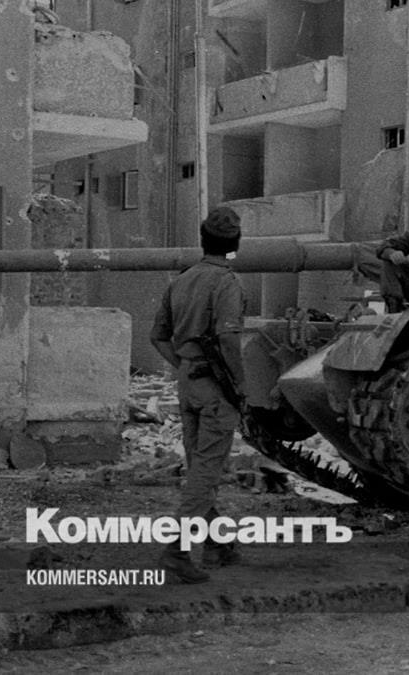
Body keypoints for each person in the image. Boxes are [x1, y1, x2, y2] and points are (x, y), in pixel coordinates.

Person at [150, 207, 247, 584]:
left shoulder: (182, 280)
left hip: (188, 383)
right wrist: (240, 385)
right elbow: (228, 338)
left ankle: (217, 543)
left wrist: (185, 364)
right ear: (235, 244)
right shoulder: (227, 282)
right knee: (206, 471)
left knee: (199, 467)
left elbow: (158, 336)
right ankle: (177, 551)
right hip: (216, 386)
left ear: (203, 241)